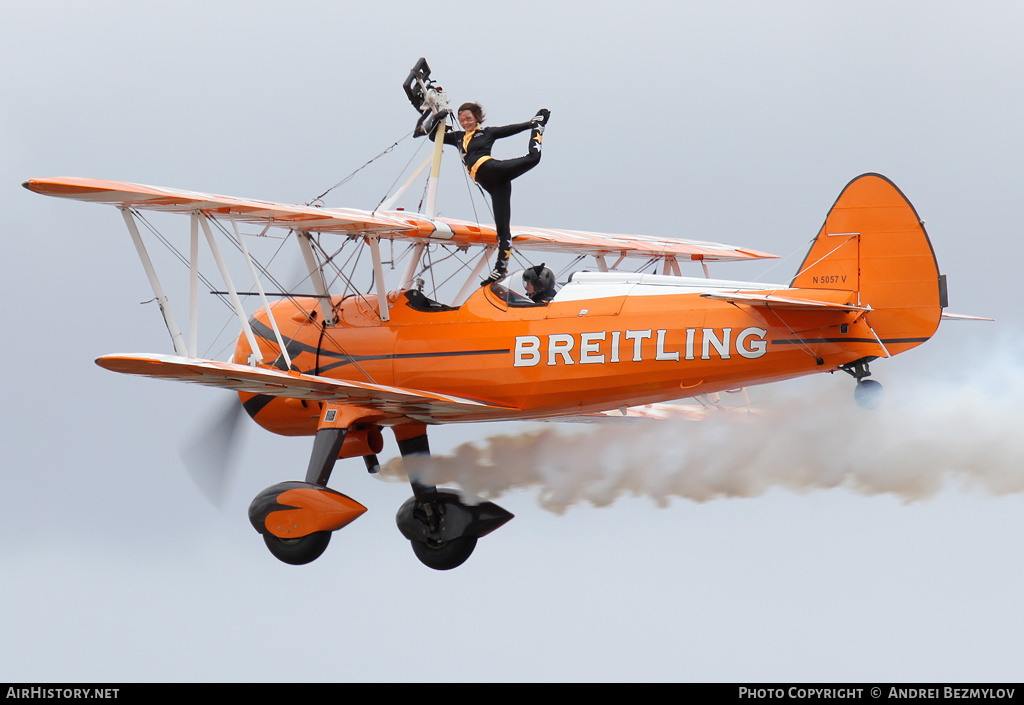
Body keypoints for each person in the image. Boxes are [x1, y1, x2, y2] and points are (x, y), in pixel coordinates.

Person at [418, 102, 550, 284]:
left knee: (534, 158)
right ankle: (500, 269)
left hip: (492, 169)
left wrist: (531, 124)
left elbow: (511, 129)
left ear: (477, 118)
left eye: (469, 119)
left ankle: (539, 128)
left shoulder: (486, 133)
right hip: (492, 185)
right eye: (462, 119)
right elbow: (434, 137)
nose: (465, 122)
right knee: (503, 230)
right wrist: (437, 118)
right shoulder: (458, 137)